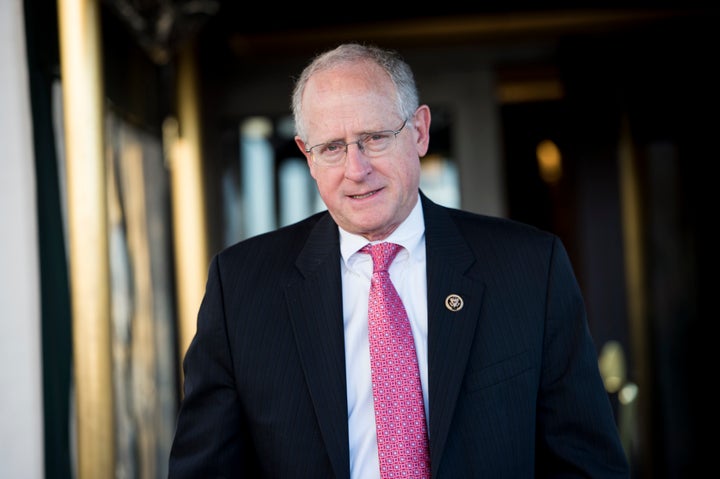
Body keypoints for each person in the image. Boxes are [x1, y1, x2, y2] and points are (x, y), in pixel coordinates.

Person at [168, 42, 630, 478]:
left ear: (420, 131)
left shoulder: (530, 268)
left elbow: (586, 464)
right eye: (332, 147)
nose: (356, 168)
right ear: (308, 157)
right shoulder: (243, 287)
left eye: (374, 137)